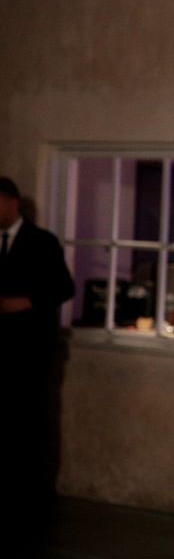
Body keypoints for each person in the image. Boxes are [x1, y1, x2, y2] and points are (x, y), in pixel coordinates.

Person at [0, 176, 75, 500]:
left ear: (13, 202)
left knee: (31, 419)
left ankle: (31, 488)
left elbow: (64, 288)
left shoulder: (41, 242)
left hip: (30, 348)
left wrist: (27, 301)